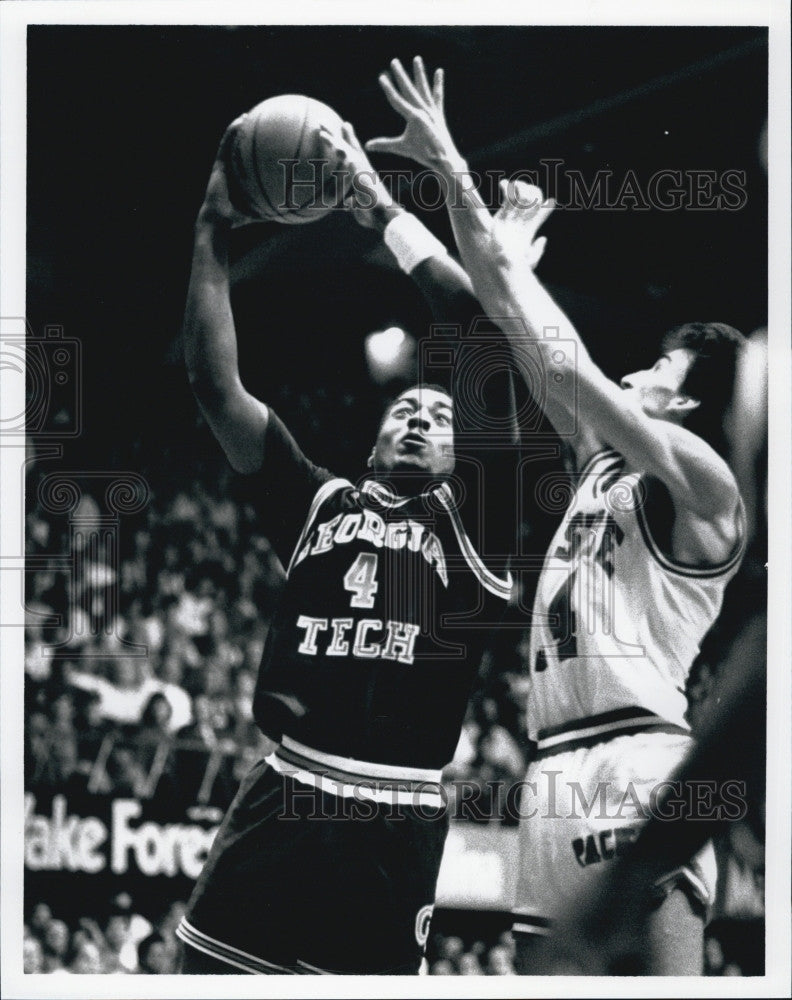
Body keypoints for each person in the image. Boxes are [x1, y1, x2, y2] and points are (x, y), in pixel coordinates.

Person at [368, 56, 747, 974]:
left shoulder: (705, 484)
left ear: (687, 407)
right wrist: (468, 212)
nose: (643, 368)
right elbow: (502, 309)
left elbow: (566, 359)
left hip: (643, 760)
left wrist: (458, 171)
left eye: (663, 370)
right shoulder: (598, 459)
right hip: (554, 765)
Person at [175, 112, 527, 974]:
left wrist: (384, 217)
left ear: (460, 454)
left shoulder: (475, 517)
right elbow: (216, 388)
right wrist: (212, 231)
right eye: (403, 408)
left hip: (394, 815)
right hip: (285, 790)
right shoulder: (318, 499)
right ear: (371, 440)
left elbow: (478, 338)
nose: (417, 415)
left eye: (439, 416)